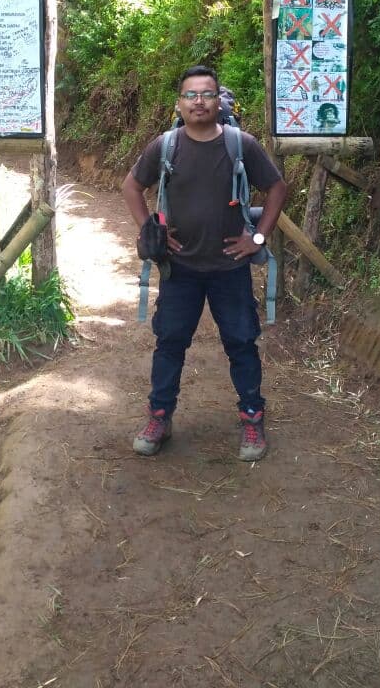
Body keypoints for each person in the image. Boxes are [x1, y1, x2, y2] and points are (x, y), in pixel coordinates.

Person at [122, 66, 287, 461]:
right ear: (179, 104)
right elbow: (131, 185)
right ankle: (159, 416)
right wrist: (151, 230)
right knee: (170, 343)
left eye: (207, 94)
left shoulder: (241, 144)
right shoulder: (164, 147)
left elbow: (278, 186)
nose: (199, 102)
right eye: (191, 95)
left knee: (242, 343)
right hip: (180, 268)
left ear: (219, 102)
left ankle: (252, 419)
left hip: (230, 268)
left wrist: (257, 238)